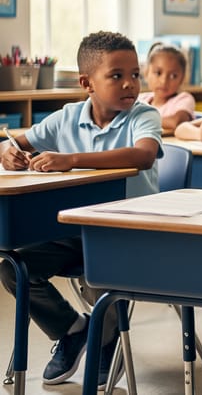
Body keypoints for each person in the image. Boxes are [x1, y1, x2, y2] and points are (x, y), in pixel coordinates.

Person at [0, 31, 162, 389]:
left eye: (135, 74)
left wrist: (71, 159)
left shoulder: (143, 115)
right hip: (75, 231)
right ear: (86, 82)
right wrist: (5, 151)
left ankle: (106, 340)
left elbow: (143, 154)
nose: (129, 84)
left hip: (130, 232)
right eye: (116, 75)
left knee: (99, 277)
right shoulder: (67, 117)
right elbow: (17, 141)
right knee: (14, 270)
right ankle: (73, 330)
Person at [138, 42, 196, 131]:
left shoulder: (184, 99)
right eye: (158, 73)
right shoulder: (140, 99)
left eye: (173, 76)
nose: (164, 81)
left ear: (183, 78)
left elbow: (175, 122)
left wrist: (138, 120)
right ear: (146, 73)